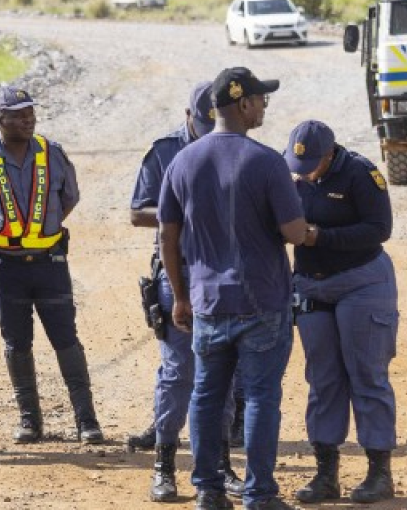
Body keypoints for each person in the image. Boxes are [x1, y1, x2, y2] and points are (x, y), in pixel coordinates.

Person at [159, 67, 308, 510]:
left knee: (206, 394)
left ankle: (208, 491)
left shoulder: (183, 161)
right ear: (242, 104)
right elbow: (295, 233)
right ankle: (259, 494)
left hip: (207, 302)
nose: (264, 105)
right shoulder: (266, 161)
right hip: (262, 300)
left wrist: (180, 297)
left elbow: (167, 234)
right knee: (261, 396)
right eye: (261, 99)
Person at [0, 87, 105, 444]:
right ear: (0, 121)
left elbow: (69, 198)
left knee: (65, 337)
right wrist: (6, 236)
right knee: (17, 341)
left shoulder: (53, 153)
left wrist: (41, 230)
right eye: (19, 115)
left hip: (49, 262)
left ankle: (86, 420)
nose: (28, 119)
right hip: (2, 267)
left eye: (30, 113)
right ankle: (30, 421)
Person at [129, 82, 244, 502]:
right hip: (178, 273)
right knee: (178, 373)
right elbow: (137, 212)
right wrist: (184, 211)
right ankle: (164, 462)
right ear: (188, 115)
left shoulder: (235, 145)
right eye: (202, 123)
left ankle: (220, 464)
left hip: (224, 274)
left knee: (223, 372)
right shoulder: (164, 152)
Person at [283, 120, 397, 504]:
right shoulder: (291, 176)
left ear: (330, 155)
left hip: (361, 281)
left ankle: (379, 473)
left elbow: (380, 229)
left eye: (313, 164)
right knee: (322, 378)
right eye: (300, 165)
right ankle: (325, 473)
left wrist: (322, 237)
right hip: (312, 286)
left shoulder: (360, 174)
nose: (305, 172)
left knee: (366, 374)